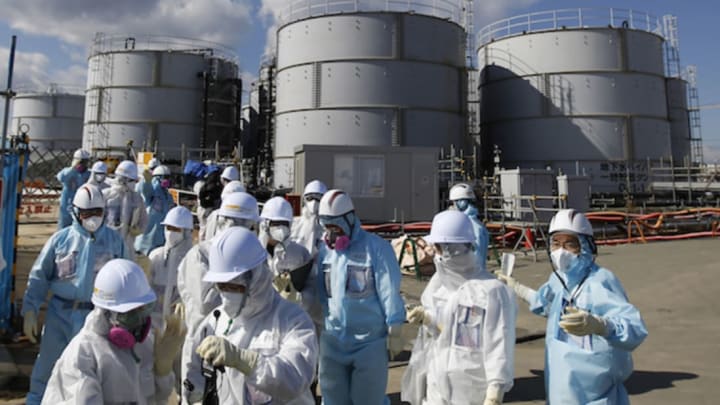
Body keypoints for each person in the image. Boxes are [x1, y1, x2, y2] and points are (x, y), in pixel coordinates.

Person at [497, 209, 648, 404]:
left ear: (585, 245)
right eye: (556, 243)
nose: (561, 251)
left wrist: (601, 325)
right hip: (559, 386)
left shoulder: (600, 281)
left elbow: (634, 328)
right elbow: (546, 305)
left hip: (597, 393)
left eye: (569, 244)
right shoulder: (560, 280)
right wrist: (517, 288)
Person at [182, 227, 318, 404]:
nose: (227, 295)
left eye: (234, 287)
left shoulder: (292, 320)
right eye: (222, 287)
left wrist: (247, 362)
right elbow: (195, 380)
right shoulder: (215, 322)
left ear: (258, 278)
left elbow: (295, 378)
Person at [22, 184, 129, 404]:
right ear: (76, 212)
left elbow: (125, 281)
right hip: (60, 315)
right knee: (48, 366)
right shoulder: (61, 240)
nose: (92, 218)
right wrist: (30, 310)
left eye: (97, 212)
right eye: (86, 213)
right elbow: (39, 276)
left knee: (91, 372)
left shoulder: (115, 242)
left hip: (97, 319)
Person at [402, 210, 516, 405]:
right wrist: (429, 319)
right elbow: (446, 329)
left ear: (451, 250)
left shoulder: (491, 291)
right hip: (437, 384)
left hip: (470, 390)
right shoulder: (439, 285)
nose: (434, 255)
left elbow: (499, 343)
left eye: (437, 248)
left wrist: (494, 391)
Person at [42, 259, 187, 404]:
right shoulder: (84, 353)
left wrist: (163, 370)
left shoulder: (144, 345)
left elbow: (158, 400)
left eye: (143, 309)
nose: (139, 319)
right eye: (130, 313)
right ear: (106, 313)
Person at [316, 189, 406, 404]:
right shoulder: (325, 251)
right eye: (327, 227)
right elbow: (321, 289)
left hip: (369, 342)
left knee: (367, 399)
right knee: (333, 398)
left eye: (336, 226)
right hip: (334, 338)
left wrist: (395, 326)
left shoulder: (375, 249)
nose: (332, 234)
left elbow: (389, 288)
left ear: (350, 218)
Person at [176, 191, 260, 383]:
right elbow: (207, 304)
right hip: (204, 345)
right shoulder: (201, 254)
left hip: (240, 349)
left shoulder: (254, 257)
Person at [148, 206, 194, 328]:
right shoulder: (156, 256)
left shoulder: (193, 259)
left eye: (175, 229)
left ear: (186, 232)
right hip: (154, 324)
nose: (170, 233)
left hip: (179, 326)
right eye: (168, 228)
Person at [259, 197, 312, 303]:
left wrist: (299, 298)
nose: (280, 228)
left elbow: (312, 287)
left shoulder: (300, 253)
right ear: (265, 224)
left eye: (284, 223)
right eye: (276, 223)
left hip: (288, 315)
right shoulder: (253, 253)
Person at [103, 160, 148, 258]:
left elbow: (144, 221)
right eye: (134, 181)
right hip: (106, 245)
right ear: (125, 180)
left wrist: (138, 229)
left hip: (127, 246)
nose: (135, 183)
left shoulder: (137, 198)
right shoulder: (106, 195)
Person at [449, 183, 490, 271]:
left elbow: (476, 255)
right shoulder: (475, 223)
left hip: (471, 275)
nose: (452, 206)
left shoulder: (470, 226)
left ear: (461, 203)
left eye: (454, 203)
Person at [135, 164, 174, 256]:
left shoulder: (168, 196)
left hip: (161, 239)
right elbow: (145, 189)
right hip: (146, 241)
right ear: (157, 178)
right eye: (165, 177)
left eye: (168, 177)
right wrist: (146, 181)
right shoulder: (152, 192)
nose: (167, 180)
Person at [55, 148, 91, 229]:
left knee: (80, 228)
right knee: (64, 228)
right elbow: (60, 177)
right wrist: (73, 168)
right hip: (67, 206)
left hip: (82, 206)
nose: (83, 165)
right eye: (81, 162)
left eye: (85, 162)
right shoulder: (68, 172)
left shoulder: (88, 174)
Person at [290, 179, 327, 256]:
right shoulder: (294, 222)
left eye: (318, 198)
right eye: (309, 198)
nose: (314, 202)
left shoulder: (328, 224)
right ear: (304, 199)